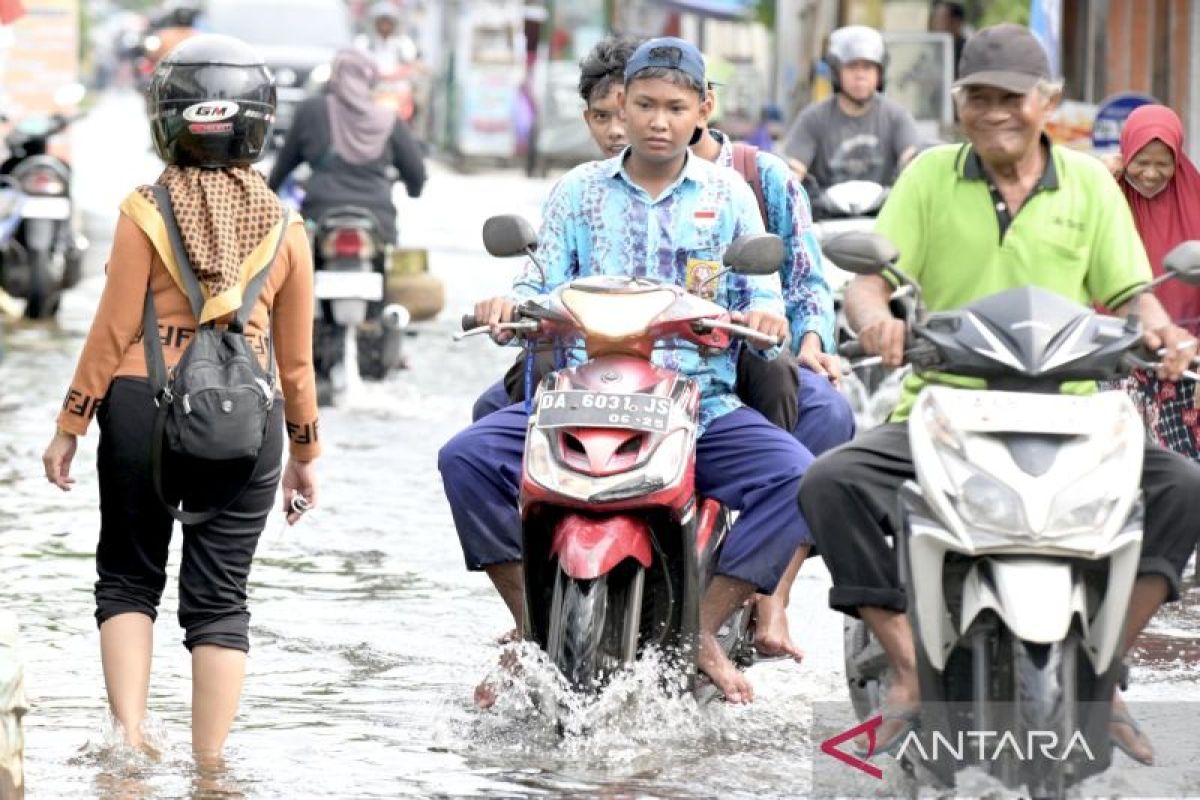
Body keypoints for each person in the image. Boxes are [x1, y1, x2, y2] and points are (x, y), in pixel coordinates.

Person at [798, 24, 1200, 764]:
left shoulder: (1088, 185)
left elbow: (1133, 292)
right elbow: (865, 279)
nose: (995, 113)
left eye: (1011, 97)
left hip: (1078, 409)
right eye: (978, 97)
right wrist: (874, 319)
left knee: (1182, 486)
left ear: (1046, 102)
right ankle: (909, 663)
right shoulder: (926, 179)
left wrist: (1165, 334)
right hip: (943, 404)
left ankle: (1104, 669)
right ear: (959, 104)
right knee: (830, 481)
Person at [440, 37, 814, 704]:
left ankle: (703, 627)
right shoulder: (578, 193)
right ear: (622, 106)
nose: (659, 121)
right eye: (644, 104)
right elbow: (539, 281)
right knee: (466, 458)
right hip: (577, 399)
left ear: (704, 108)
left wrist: (768, 321)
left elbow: (762, 297)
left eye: (675, 106)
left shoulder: (730, 195)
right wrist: (508, 308)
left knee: (799, 478)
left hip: (701, 405)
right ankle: (529, 626)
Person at [40, 34, 321, 762]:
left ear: (167, 118)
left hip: (139, 404)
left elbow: (108, 334)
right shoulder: (289, 227)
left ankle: (130, 745)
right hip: (249, 423)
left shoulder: (145, 209)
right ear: (257, 124)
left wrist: (70, 425)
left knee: (128, 578)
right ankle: (210, 767)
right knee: (221, 600)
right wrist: (306, 454)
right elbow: (295, 364)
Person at [1110, 105, 1200, 460]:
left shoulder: (1196, 200)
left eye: (1162, 163)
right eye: (1140, 161)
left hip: (1183, 369)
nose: (1150, 173)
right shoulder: (1102, 196)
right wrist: (1097, 171)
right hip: (1109, 367)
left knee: (1184, 484)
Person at [267, 48, 426, 247]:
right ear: (371, 78)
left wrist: (267, 193)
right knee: (389, 269)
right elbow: (416, 172)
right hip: (379, 220)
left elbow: (284, 164)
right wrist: (414, 190)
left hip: (318, 215)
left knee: (298, 270)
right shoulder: (389, 119)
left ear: (335, 75)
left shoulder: (311, 110)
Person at [780, 26, 920, 215]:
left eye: (868, 67)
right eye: (852, 66)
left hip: (883, 219)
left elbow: (913, 161)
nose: (860, 74)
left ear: (880, 73)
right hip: (825, 221)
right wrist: (788, 182)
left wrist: (915, 165)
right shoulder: (813, 118)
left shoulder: (897, 116)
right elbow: (792, 170)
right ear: (836, 72)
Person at [359, 1, 421, 75]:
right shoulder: (364, 42)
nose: (384, 26)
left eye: (388, 22)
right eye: (381, 22)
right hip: (372, 83)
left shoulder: (404, 42)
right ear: (375, 23)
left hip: (399, 83)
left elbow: (410, 65)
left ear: (394, 23)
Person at [929, 1, 967, 79]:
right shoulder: (930, 50)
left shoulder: (969, 52)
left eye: (940, 19)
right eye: (933, 19)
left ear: (956, 22)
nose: (934, 24)